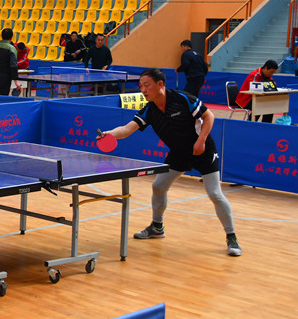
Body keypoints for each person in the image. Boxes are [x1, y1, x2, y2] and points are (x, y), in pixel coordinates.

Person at [98, 68, 241, 257]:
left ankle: (231, 237)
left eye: (147, 85)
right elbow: (126, 129)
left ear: (160, 84)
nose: (143, 90)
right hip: (179, 153)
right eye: (141, 86)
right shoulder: (150, 110)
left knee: (214, 193)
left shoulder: (182, 99)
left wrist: (201, 140)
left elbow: (209, 116)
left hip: (203, 150)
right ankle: (157, 227)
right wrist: (109, 134)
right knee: (158, 186)